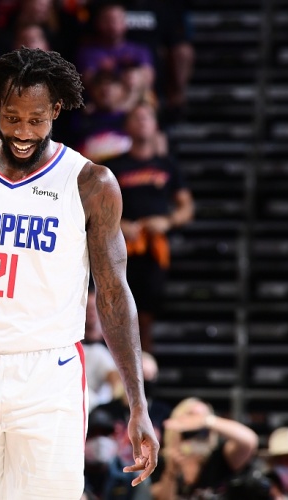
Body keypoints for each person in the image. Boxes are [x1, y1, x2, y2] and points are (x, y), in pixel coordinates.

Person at [0, 47, 159, 499]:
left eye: (35, 120)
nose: (23, 132)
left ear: (56, 111)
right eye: (12, 118)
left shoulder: (90, 183)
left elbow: (113, 294)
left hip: (50, 374)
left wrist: (138, 403)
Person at [106, 102, 194, 353]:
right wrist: (118, 224)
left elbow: (186, 207)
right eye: (137, 117)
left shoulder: (167, 166)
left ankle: (146, 361)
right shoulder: (114, 167)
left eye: (147, 117)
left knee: (146, 315)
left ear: (156, 125)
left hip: (154, 250)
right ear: (127, 126)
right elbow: (96, 207)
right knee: (121, 311)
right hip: (121, 248)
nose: (142, 121)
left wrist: (168, 221)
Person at [151, 397, 258, 499]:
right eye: (190, 415)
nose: (196, 424)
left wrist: (207, 421)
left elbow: (248, 441)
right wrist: (171, 471)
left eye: (203, 416)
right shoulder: (160, 461)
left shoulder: (219, 457)